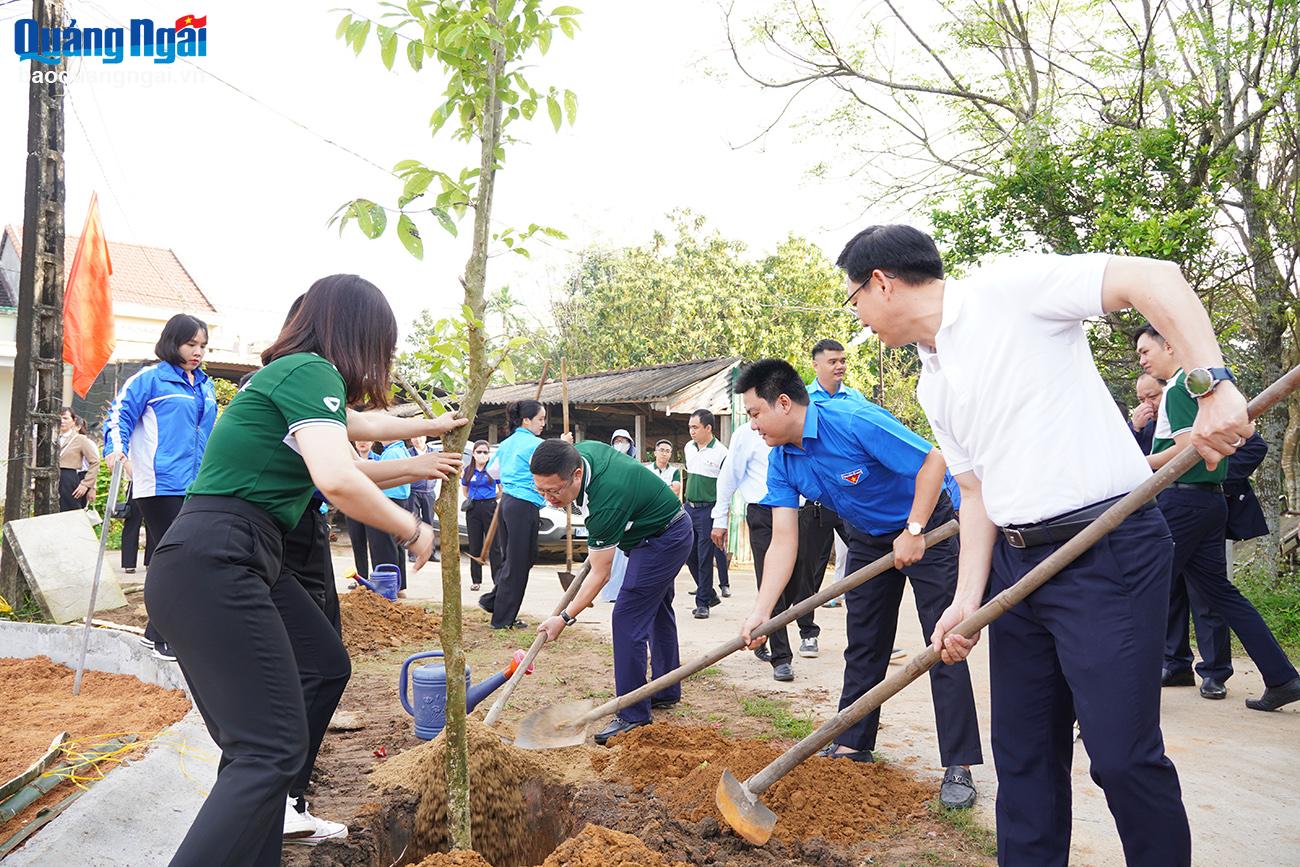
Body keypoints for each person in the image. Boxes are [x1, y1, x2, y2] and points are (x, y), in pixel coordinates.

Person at [835, 224, 1257, 864]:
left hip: (1105, 547)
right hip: (1016, 565)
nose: (859, 320)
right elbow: (976, 494)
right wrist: (966, 601)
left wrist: (1212, 381)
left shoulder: (1007, 290)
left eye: (854, 301)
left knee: (1120, 757)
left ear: (881, 283)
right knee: (1025, 758)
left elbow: (1154, 277)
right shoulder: (933, 380)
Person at [144, 274, 466, 867]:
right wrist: (413, 529)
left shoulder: (299, 381)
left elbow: (359, 428)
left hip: (241, 556)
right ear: (358, 332)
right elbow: (339, 477)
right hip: (219, 558)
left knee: (321, 666)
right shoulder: (307, 370)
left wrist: (430, 430)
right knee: (268, 749)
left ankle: (264, 831)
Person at [734, 358, 981, 809]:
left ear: (783, 403)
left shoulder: (853, 421)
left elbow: (932, 461)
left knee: (943, 641)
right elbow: (784, 541)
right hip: (866, 537)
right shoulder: (782, 460)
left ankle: (959, 764)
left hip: (927, 526)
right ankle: (854, 742)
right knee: (864, 641)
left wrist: (914, 529)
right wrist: (762, 610)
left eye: (754, 413)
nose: (752, 425)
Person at [1136, 323, 1300, 703]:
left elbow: (1184, 449)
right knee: (1221, 593)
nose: (1142, 360)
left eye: (1146, 351)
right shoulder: (1204, 389)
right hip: (1210, 502)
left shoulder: (1179, 387)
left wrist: (1140, 463)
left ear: (1171, 347)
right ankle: (1281, 678)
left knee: (1142, 591)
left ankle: (1121, 692)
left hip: (1182, 502)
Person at [533, 439, 691, 745]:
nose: (549, 498)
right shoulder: (581, 452)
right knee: (656, 610)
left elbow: (601, 573)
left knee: (627, 617)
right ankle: (664, 688)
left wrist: (563, 618)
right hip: (659, 528)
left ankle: (633, 714)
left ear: (576, 475)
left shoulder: (607, 501)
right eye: (541, 490)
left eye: (554, 491)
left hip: (664, 539)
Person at [104, 313, 217, 663]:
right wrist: (115, 451)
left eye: (202, 345)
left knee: (181, 559)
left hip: (197, 484)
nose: (197, 352)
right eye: (190, 344)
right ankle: (166, 635)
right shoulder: (149, 379)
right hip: (159, 482)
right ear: (173, 342)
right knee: (178, 559)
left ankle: (158, 632)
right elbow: (118, 415)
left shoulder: (205, 383)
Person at [710, 421, 795, 681]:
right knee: (771, 580)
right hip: (763, 511)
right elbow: (729, 476)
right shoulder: (746, 434)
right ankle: (782, 658)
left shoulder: (795, 425)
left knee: (801, 584)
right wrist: (720, 519)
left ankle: (763, 617)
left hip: (800, 511)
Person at [480, 399, 567, 630]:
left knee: (517, 559)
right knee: (519, 561)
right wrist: (563, 444)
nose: (543, 424)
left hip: (509, 502)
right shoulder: (536, 444)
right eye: (540, 419)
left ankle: (494, 602)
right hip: (523, 504)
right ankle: (502, 619)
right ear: (526, 420)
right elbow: (555, 458)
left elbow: (492, 471)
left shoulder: (508, 443)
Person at [683, 409, 730, 617]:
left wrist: (721, 516)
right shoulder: (688, 448)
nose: (691, 431)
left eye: (695, 427)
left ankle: (702, 603)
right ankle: (708, 593)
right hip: (689, 508)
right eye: (690, 427)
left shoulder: (722, 452)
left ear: (708, 428)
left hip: (708, 510)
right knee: (688, 554)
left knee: (704, 557)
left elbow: (725, 486)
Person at [371, 439, 415, 595]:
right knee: (397, 545)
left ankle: (387, 587)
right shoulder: (400, 450)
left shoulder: (392, 452)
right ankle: (399, 585)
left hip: (388, 500)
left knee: (384, 545)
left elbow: (380, 477)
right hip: (400, 500)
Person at [601, 430, 638, 602]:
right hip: (612, 514)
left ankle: (625, 591)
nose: (620, 444)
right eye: (617, 441)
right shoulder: (607, 466)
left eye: (624, 441)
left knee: (626, 557)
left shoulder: (634, 466)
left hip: (629, 514)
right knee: (611, 556)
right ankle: (611, 591)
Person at [461, 439, 501, 592]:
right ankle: (476, 579)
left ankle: (497, 579)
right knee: (475, 544)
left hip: (490, 507)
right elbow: (465, 490)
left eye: (485, 452)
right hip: (474, 509)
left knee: (494, 545)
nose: (482, 455)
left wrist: (492, 498)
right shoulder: (468, 470)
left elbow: (501, 489)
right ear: (473, 454)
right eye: (479, 452)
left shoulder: (493, 470)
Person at [57, 407, 99, 511]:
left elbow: (95, 461)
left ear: (73, 421)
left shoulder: (80, 439)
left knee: (69, 511)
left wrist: (86, 484)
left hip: (68, 477)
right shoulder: (51, 437)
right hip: (52, 476)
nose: (62, 421)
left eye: (65, 418)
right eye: (59, 418)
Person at [1130, 372, 1163, 453]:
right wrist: (1135, 428)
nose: (1148, 405)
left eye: (1152, 397)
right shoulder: (1145, 425)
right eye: (1142, 400)